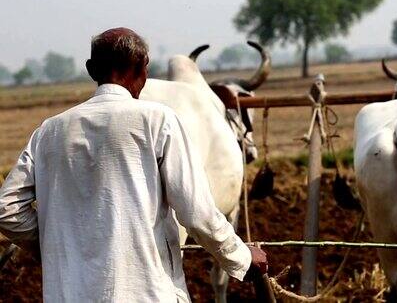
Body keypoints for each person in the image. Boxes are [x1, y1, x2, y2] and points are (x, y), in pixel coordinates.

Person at [0, 27, 267, 302]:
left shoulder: (49, 131)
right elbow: (197, 212)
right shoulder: (159, 121)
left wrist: (64, 247)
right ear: (143, 67)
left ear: (91, 70)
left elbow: (6, 209)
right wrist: (243, 258)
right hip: (147, 293)